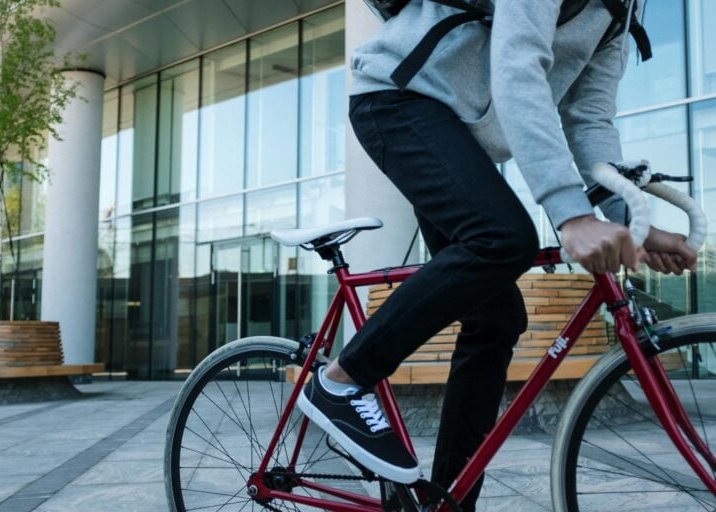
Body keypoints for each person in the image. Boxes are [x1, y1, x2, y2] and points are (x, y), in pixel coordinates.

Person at [296, 0, 698, 510]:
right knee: (503, 238)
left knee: (498, 318)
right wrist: (569, 213)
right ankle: (341, 383)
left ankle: (448, 503)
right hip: (399, 99)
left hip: (459, 133)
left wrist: (626, 221)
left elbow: (588, 117)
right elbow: (517, 66)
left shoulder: (623, 9)